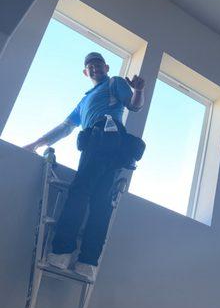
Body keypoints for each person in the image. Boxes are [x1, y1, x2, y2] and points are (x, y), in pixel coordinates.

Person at [24, 52, 145, 281]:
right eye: (90, 66)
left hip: (105, 138)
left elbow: (133, 105)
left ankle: (62, 252)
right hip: (99, 142)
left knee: (80, 192)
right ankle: (87, 262)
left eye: (98, 64)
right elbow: (65, 127)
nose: (95, 68)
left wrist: (138, 91)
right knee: (100, 201)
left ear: (106, 67)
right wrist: (36, 144)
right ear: (85, 72)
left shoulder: (114, 83)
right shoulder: (84, 100)